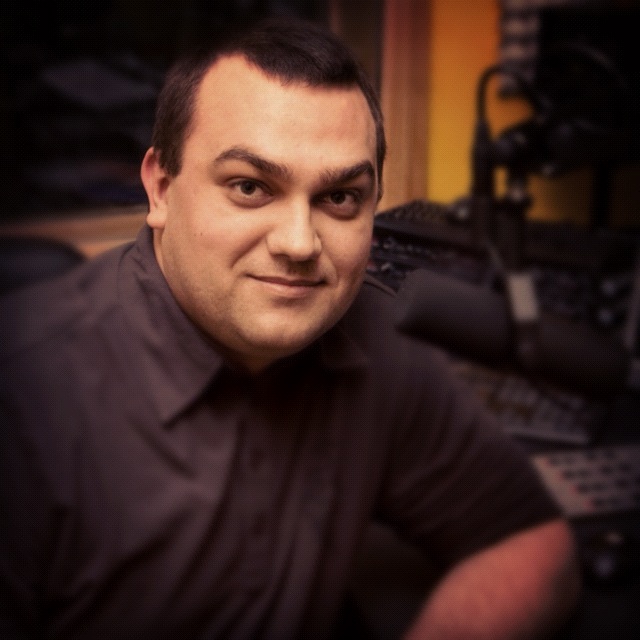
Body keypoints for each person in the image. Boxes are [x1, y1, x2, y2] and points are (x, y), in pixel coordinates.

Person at [0, 18, 580, 640]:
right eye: (250, 187)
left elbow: (527, 541)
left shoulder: (375, 337)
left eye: (340, 198)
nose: (300, 244)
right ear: (161, 189)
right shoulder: (26, 401)